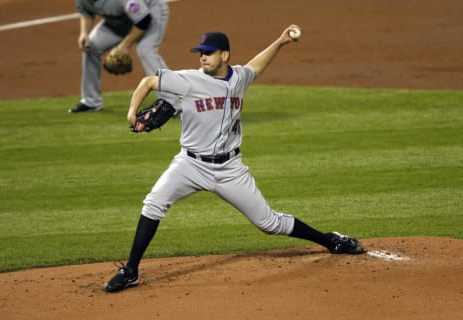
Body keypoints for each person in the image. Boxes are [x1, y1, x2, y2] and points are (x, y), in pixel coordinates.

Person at [104, 25, 365, 293]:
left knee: (269, 223)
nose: (203, 57)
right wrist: (131, 112)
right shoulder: (188, 79)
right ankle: (131, 270)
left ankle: (330, 240)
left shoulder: (239, 78)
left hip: (230, 169)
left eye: (209, 52)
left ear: (225, 55)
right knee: (154, 202)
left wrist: (280, 41)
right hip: (190, 165)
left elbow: (255, 66)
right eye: (200, 53)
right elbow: (148, 82)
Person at [69, 0, 169, 113]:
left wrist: (124, 46)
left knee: (145, 50)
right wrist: (84, 32)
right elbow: (86, 12)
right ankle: (91, 101)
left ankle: (172, 102)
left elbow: (143, 21)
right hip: (121, 20)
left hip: (150, 11)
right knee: (90, 47)